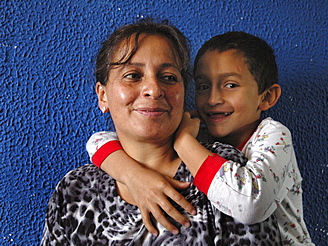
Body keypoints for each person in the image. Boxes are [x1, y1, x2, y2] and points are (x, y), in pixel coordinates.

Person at [41, 19, 281, 245]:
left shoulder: (228, 175)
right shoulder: (74, 189)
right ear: (103, 96)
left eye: (168, 77)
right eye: (133, 76)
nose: (154, 90)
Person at [86, 31, 315, 245]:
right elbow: (97, 141)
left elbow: (249, 206)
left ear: (267, 97)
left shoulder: (273, 136)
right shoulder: (201, 132)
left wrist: (183, 142)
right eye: (204, 86)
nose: (213, 99)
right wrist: (134, 176)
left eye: (231, 85)